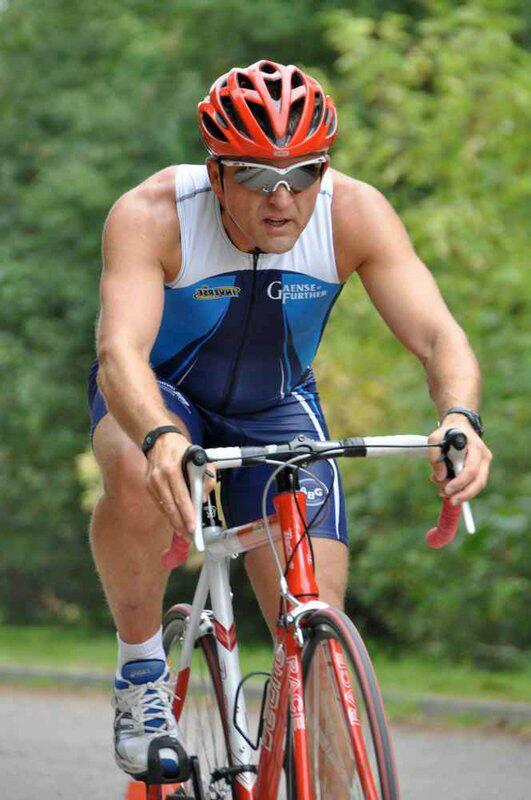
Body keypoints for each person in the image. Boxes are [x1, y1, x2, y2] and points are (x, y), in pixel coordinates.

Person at [87, 60, 492, 780]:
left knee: (318, 637)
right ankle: (141, 672)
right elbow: (120, 353)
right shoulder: (153, 213)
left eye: (302, 174)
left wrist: (459, 418)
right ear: (216, 175)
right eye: (255, 176)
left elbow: (439, 336)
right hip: (161, 393)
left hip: (275, 406)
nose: (282, 199)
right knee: (129, 458)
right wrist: (161, 437)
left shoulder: (353, 213)